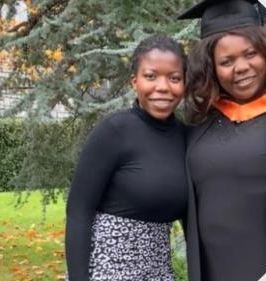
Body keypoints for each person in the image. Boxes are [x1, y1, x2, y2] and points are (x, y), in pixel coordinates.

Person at [177, 0, 266, 280]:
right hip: (213, 269)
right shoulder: (199, 122)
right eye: (226, 62)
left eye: (250, 54)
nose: (240, 67)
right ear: (211, 68)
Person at [65, 34, 188, 281]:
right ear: (135, 81)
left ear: (184, 83)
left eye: (174, 78)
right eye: (151, 76)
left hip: (158, 271)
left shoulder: (186, 137)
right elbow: (79, 211)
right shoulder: (114, 131)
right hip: (106, 269)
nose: (162, 87)